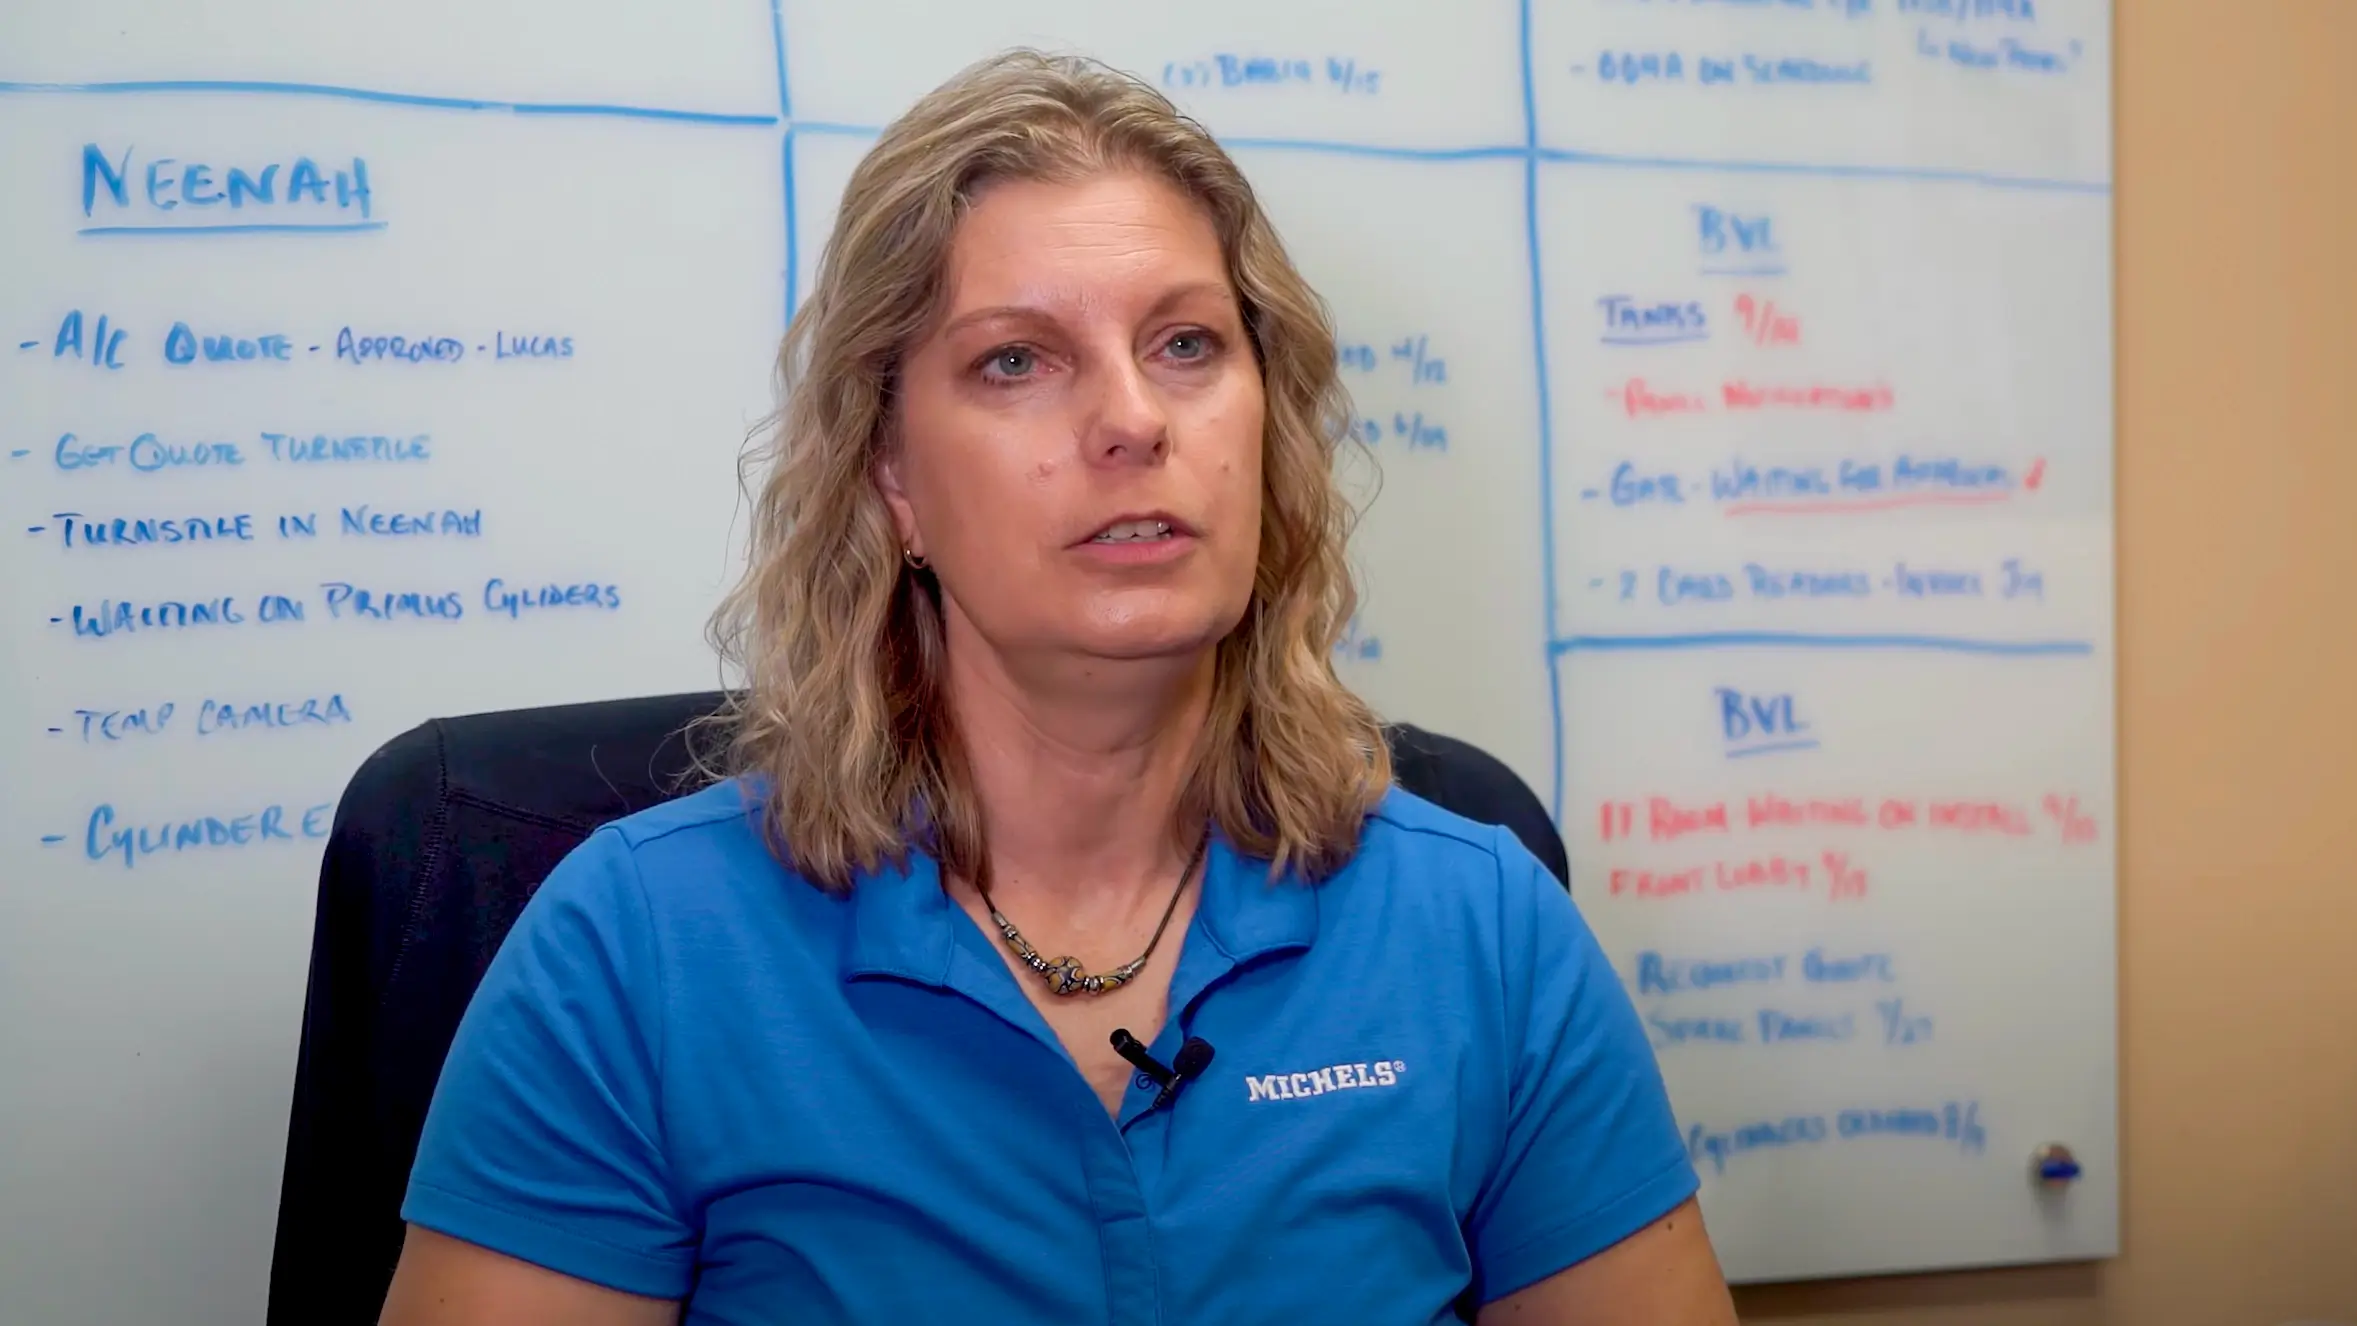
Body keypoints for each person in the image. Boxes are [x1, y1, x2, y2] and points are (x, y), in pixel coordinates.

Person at [378, 49, 1736, 1325]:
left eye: (1188, 344)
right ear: (892, 475)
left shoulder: (1483, 927)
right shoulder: (635, 952)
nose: (1134, 418)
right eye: (1015, 359)